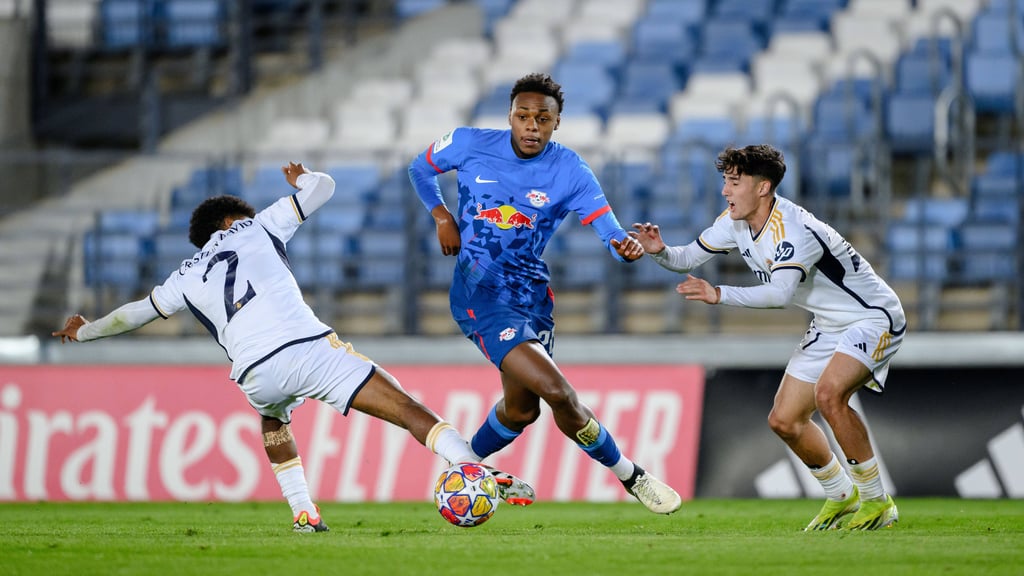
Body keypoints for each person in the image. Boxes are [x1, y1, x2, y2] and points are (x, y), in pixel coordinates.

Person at [52, 162, 535, 532]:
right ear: (229, 220)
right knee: (407, 408)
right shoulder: (255, 226)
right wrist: (305, 178)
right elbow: (323, 189)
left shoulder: (184, 274)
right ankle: (473, 467)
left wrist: (85, 330)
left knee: (273, 416)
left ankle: (303, 511)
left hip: (254, 374)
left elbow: (133, 313)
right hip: (307, 349)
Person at [407, 72, 682, 514]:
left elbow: (609, 230)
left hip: (532, 296)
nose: (531, 126)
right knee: (558, 392)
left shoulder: (570, 170)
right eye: (523, 116)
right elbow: (419, 168)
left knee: (521, 412)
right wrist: (441, 215)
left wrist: (624, 248)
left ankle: (468, 468)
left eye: (542, 118)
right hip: (481, 295)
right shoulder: (466, 142)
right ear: (510, 117)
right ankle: (633, 476)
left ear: (557, 123)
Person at [630, 144, 904, 530]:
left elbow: (779, 295)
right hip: (829, 323)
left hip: (873, 316)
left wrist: (719, 293)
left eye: (734, 182)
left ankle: (877, 502)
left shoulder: (793, 229)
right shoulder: (734, 220)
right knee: (785, 420)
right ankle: (843, 496)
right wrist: (659, 252)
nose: (725, 191)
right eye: (725, 181)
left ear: (763, 187)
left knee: (829, 395)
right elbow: (688, 257)